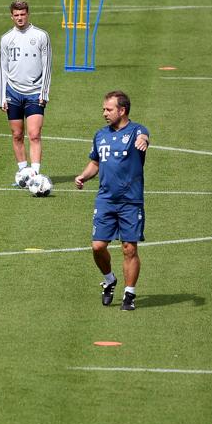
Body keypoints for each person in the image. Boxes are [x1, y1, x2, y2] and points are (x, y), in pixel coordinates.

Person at [74, 91, 150, 311]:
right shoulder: (100, 135)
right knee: (98, 246)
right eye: (103, 109)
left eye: (109, 109)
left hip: (130, 201)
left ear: (122, 110)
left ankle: (129, 294)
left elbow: (144, 136)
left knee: (129, 248)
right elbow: (95, 163)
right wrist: (83, 176)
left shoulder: (137, 131)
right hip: (105, 199)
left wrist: (144, 141)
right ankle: (109, 280)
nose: (104, 113)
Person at [0, 0, 52, 186]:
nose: (20, 18)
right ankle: (23, 173)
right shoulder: (6, 39)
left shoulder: (41, 36)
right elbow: (2, 69)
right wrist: (1, 96)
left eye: (23, 14)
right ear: (11, 16)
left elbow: (48, 67)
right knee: (17, 134)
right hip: (13, 92)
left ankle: (35, 174)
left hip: (35, 93)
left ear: (28, 14)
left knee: (34, 134)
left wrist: (44, 93)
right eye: (16, 15)